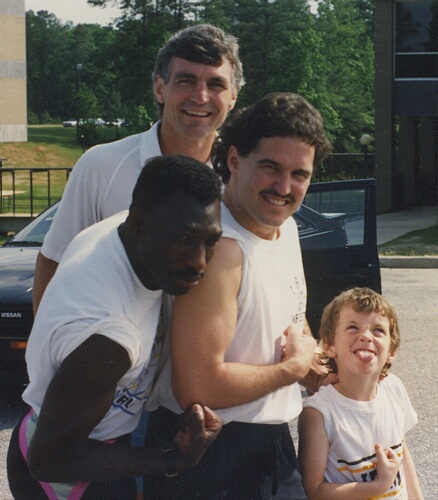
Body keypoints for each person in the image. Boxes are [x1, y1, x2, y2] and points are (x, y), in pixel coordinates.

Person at [143, 92, 332, 499]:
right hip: (208, 458)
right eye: (270, 168)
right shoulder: (219, 248)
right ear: (233, 160)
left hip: (272, 444)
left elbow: (287, 317)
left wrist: (317, 362)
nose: (285, 187)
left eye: (300, 174)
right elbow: (196, 385)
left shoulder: (286, 229)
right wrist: (293, 369)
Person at [7, 155, 224, 500]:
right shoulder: (109, 337)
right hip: (71, 472)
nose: (199, 261)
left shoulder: (118, 228)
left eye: (210, 241)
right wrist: (173, 458)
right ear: (139, 224)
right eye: (183, 239)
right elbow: (48, 461)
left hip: (57, 431)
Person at [32, 23, 243, 314]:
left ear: (232, 97)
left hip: (212, 358)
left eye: (216, 84)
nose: (201, 96)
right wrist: (48, 353)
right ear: (160, 88)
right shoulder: (101, 166)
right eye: (186, 81)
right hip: (113, 354)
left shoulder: (244, 177)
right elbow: (54, 263)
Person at [298, 287, 423, 500]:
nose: (366, 336)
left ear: (392, 351)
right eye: (353, 328)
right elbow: (315, 491)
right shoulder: (319, 414)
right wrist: (377, 486)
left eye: (378, 330)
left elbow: (402, 454)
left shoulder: (393, 389)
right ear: (328, 346)